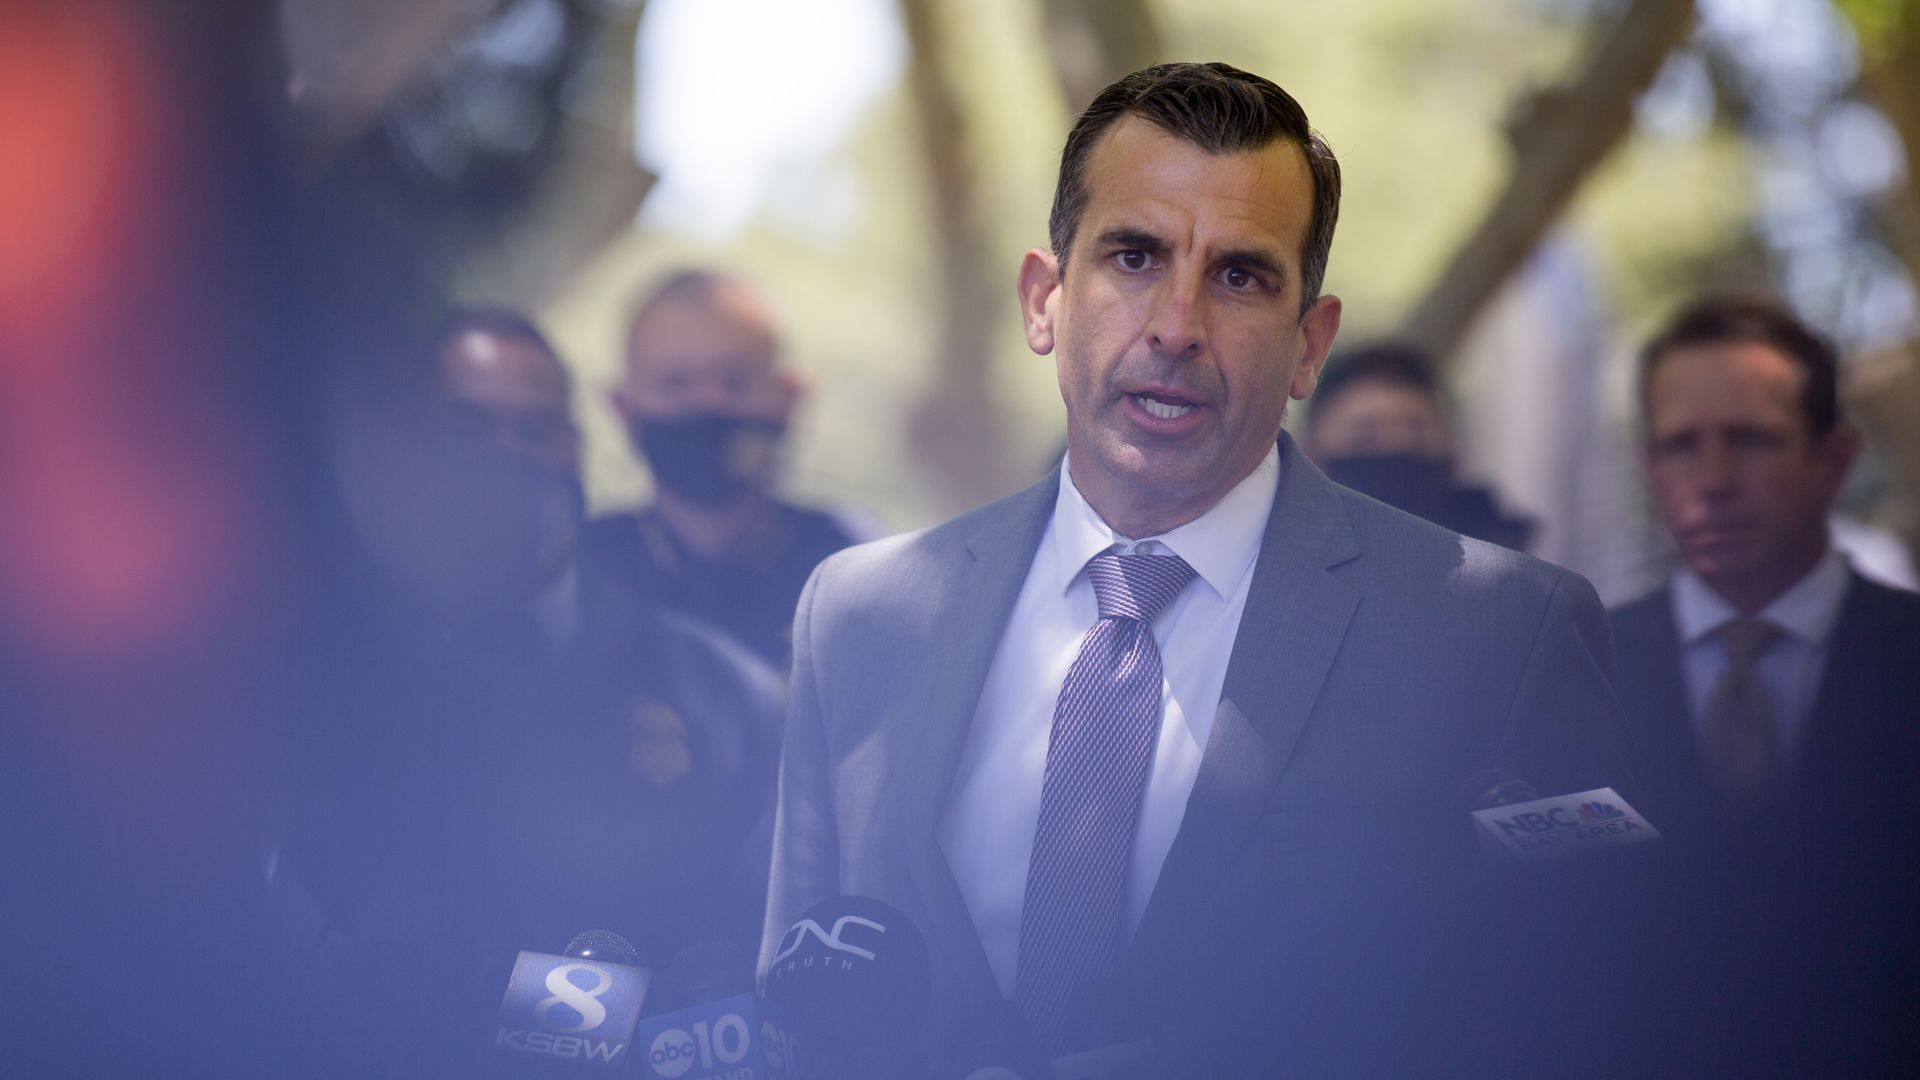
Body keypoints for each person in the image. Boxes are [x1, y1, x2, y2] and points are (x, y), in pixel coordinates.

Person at [760, 63, 1630, 1074]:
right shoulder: (859, 614)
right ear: (1044, 299)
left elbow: (1588, 1010)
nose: (1176, 327)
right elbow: (795, 1020)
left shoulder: (1503, 633)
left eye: (1239, 276)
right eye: (1133, 256)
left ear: (1311, 344)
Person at [275, 308, 782, 1077]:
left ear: (577, 447)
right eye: (469, 428)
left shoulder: (721, 691)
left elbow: (743, 954)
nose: (506, 458)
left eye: (536, 430)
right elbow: (291, 949)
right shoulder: (299, 674)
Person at [1609, 296, 1920, 1074]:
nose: (1712, 480)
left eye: (1749, 440)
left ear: (1834, 461)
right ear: (1649, 466)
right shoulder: (1578, 666)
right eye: (1681, 446)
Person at [587, 271, 861, 668]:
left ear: (788, 399)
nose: (708, 402)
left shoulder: (852, 571)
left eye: (735, 381)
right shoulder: (580, 572)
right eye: (674, 382)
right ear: (624, 410)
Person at [1304, 340, 1535, 550]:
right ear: (1310, 450)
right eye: (1366, 435)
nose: (1394, 447)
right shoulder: (1286, 551)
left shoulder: (1501, 568)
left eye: (1417, 431)